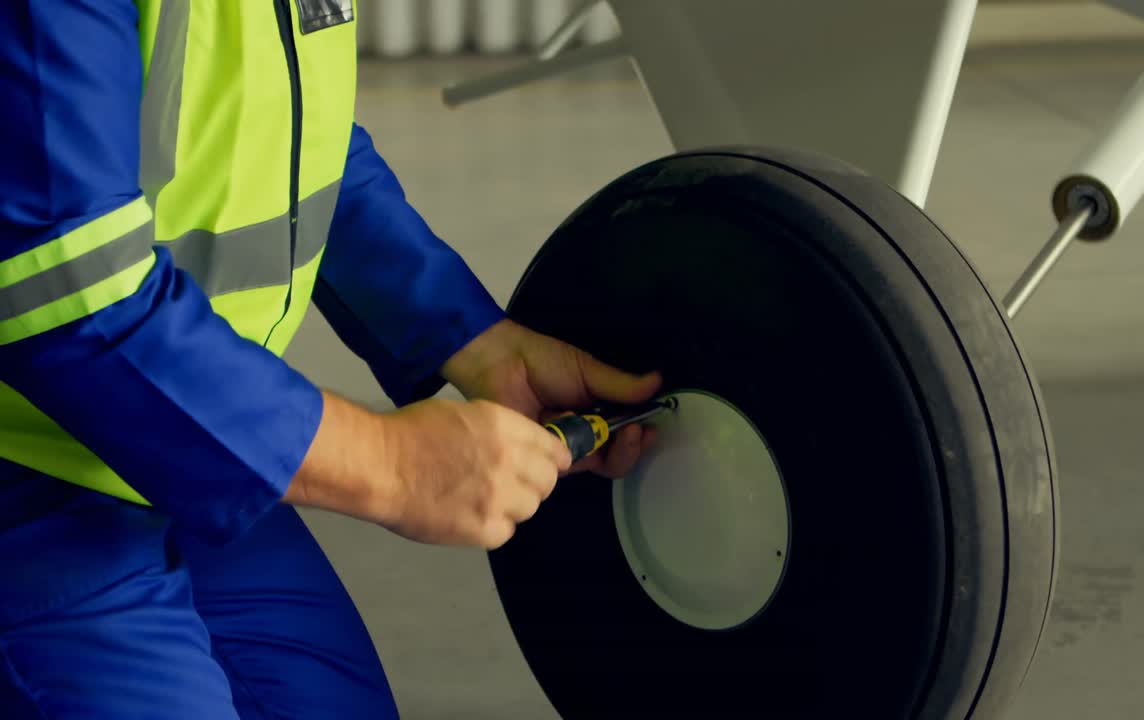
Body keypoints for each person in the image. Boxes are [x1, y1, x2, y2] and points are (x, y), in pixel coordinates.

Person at [0, 2, 661, 718]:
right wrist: (390, 464)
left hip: (195, 440)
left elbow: (290, 135)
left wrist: (475, 342)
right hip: (32, 472)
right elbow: (69, 288)